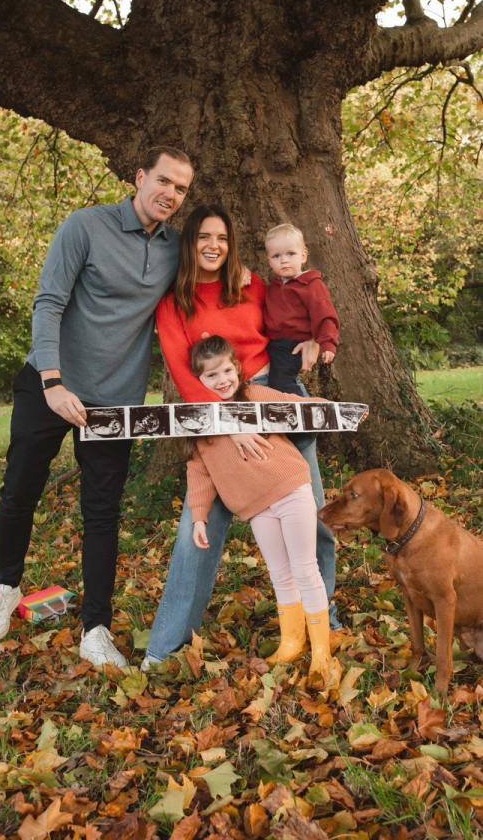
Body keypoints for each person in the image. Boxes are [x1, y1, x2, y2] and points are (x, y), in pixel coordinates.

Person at [0, 146, 195, 667]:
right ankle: (6, 584)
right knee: (20, 489)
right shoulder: (85, 226)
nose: (170, 194)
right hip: (49, 385)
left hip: (114, 401)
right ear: (139, 177)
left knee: (102, 513)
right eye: (164, 181)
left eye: (181, 188)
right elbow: (48, 301)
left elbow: (215, 282)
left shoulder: (175, 248)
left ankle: (95, 628)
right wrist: (52, 382)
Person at [142, 203, 340, 670]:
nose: (214, 246)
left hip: (269, 396)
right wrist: (230, 425)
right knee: (199, 532)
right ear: (189, 243)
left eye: (223, 238)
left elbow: (298, 311)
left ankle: (323, 621)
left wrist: (315, 340)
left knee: (311, 515)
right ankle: (165, 647)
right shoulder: (173, 302)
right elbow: (182, 373)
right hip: (214, 414)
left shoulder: (252, 284)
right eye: (203, 237)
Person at [188, 336, 338, 678]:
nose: (222, 379)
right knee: (280, 573)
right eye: (211, 375)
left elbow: (292, 403)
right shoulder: (199, 421)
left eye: (227, 370)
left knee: (304, 568)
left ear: (238, 370)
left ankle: (321, 650)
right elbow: (198, 472)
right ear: (197, 381)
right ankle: (291, 642)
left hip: (289, 489)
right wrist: (198, 517)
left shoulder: (254, 395)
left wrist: (330, 407)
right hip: (255, 507)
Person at [264, 223, 340, 395]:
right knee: (269, 380)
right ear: (269, 260)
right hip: (273, 344)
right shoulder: (273, 287)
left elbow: (325, 315)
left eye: (291, 254)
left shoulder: (311, 285)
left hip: (293, 344)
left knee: (281, 382)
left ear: (303, 256)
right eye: (276, 256)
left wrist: (327, 343)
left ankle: (303, 407)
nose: (284, 260)